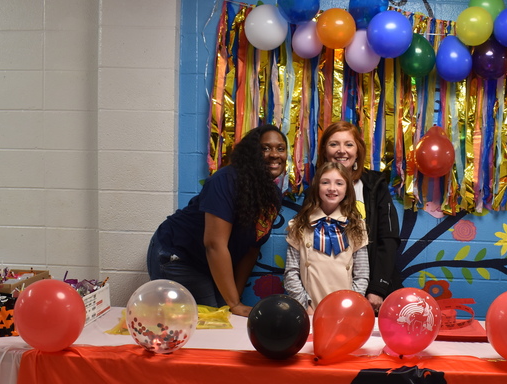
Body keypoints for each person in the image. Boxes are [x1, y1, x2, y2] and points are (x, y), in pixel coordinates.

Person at [147, 124, 287, 317]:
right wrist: (234, 304)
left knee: (225, 312)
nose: (274, 154)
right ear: (252, 153)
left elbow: (252, 250)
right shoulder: (225, 180)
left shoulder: (273, 196)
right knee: (213, 317)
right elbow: (214, 244)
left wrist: (234, 300)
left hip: (207, 263)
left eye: (280, 148)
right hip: (178, 255)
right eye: (265, 148)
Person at [315, 121, 402, 313]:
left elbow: (388, 239)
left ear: (358, 150)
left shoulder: (374, 185)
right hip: (328, 290)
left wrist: (377, 289)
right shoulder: (317, 187)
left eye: (348, 144)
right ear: (324, 151)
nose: (341, 150)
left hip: (370, 291)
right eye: (334, 144)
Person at [284, 162, 369, 312]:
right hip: (310, 309)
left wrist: (350, 305)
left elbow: (362, 275)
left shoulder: (357, 226)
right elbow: (291, 273)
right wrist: (305, 305)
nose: (332, 188)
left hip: (344, 310)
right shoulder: (298, 225)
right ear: (317, 187)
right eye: (325, 182)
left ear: (347, 189)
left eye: (339, 183)